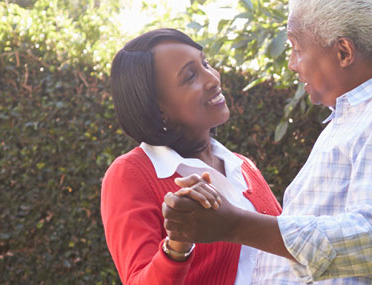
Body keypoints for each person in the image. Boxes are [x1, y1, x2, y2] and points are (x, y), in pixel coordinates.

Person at [159, 0, 372, 283]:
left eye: (297, 49)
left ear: (343, 52)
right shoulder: (352, 119)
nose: (291, 64)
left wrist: (234, 224)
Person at [99, 28, 285, 284]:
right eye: (190, 76)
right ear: (157, 106)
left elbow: (290, 248)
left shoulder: (243, 166)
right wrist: (177, 244)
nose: (213, 79)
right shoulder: (131, 175)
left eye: (206, 63)